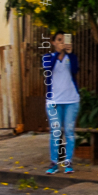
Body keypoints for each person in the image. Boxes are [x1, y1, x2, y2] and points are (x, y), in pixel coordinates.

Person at [41, 32, 80, 174]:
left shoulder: (71, 57)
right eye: (59, 40)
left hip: (71, 100)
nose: (62, 42)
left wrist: (70, 54)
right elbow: (48, 69)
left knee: (69, 131)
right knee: (56, 132)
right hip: (54, 101)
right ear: (53, 42)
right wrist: (58, 54)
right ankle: (54, 163)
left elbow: (75, 70)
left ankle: (68, 162)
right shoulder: (47, 57)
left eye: (64, 40)